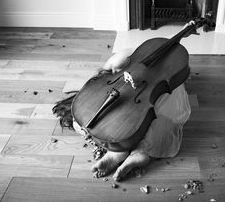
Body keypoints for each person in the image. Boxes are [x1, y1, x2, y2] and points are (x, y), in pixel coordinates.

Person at [53, 48, 191, 181]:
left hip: (154, 84)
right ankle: (124, 149)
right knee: (131, 109)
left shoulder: (143, 59)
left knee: (162, 102)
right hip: (133, 87)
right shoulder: (117, 64)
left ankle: (132, 149)